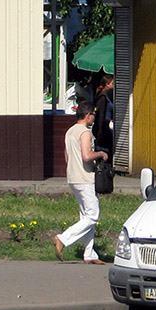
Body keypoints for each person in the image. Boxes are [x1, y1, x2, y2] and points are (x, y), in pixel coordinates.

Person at [53, 102, 109, 264]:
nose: (94, 117)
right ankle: (62, 239)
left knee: (85, 215)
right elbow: (86, 155)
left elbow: (67, 157)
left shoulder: (70, 131)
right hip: (85, 178)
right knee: (92, 216)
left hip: (73, 177)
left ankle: (89, 254)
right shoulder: (85, 132)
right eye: (93, 114)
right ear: (87, 115)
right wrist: (100, 154)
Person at [92, 74, 115, 157]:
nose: (114, 85)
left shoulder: (108, 95)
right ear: (107, 85)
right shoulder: (103, 97)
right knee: (106, 147)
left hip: (107, 124)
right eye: (112, 84)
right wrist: (100, 130)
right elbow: (101, 113)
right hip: (104, 125)